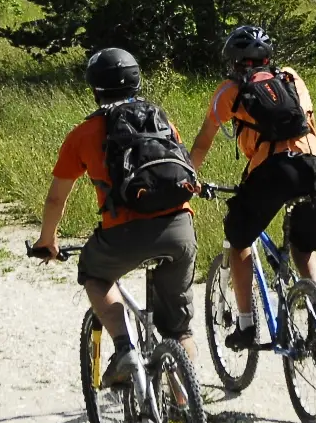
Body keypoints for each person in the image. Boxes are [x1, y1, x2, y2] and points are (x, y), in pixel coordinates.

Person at [34, 47, 198, 385]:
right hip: (179, 229)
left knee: (94, 276)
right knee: (179, 330)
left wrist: (47, 240)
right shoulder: (161, 120)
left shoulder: (83, 134)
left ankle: (124, 349)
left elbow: (55, 198)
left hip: (124, 234)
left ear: (95, 88)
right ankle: (185, 403)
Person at [189, 25, 316, 351]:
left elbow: (203, 141)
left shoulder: (230, 90)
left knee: (238, 239)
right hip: (315, 164)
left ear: (234, 61)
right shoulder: (291, 77)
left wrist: (187, 178)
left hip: (274, 169)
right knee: (304, 248)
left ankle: (246, 326)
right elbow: (308, 122)